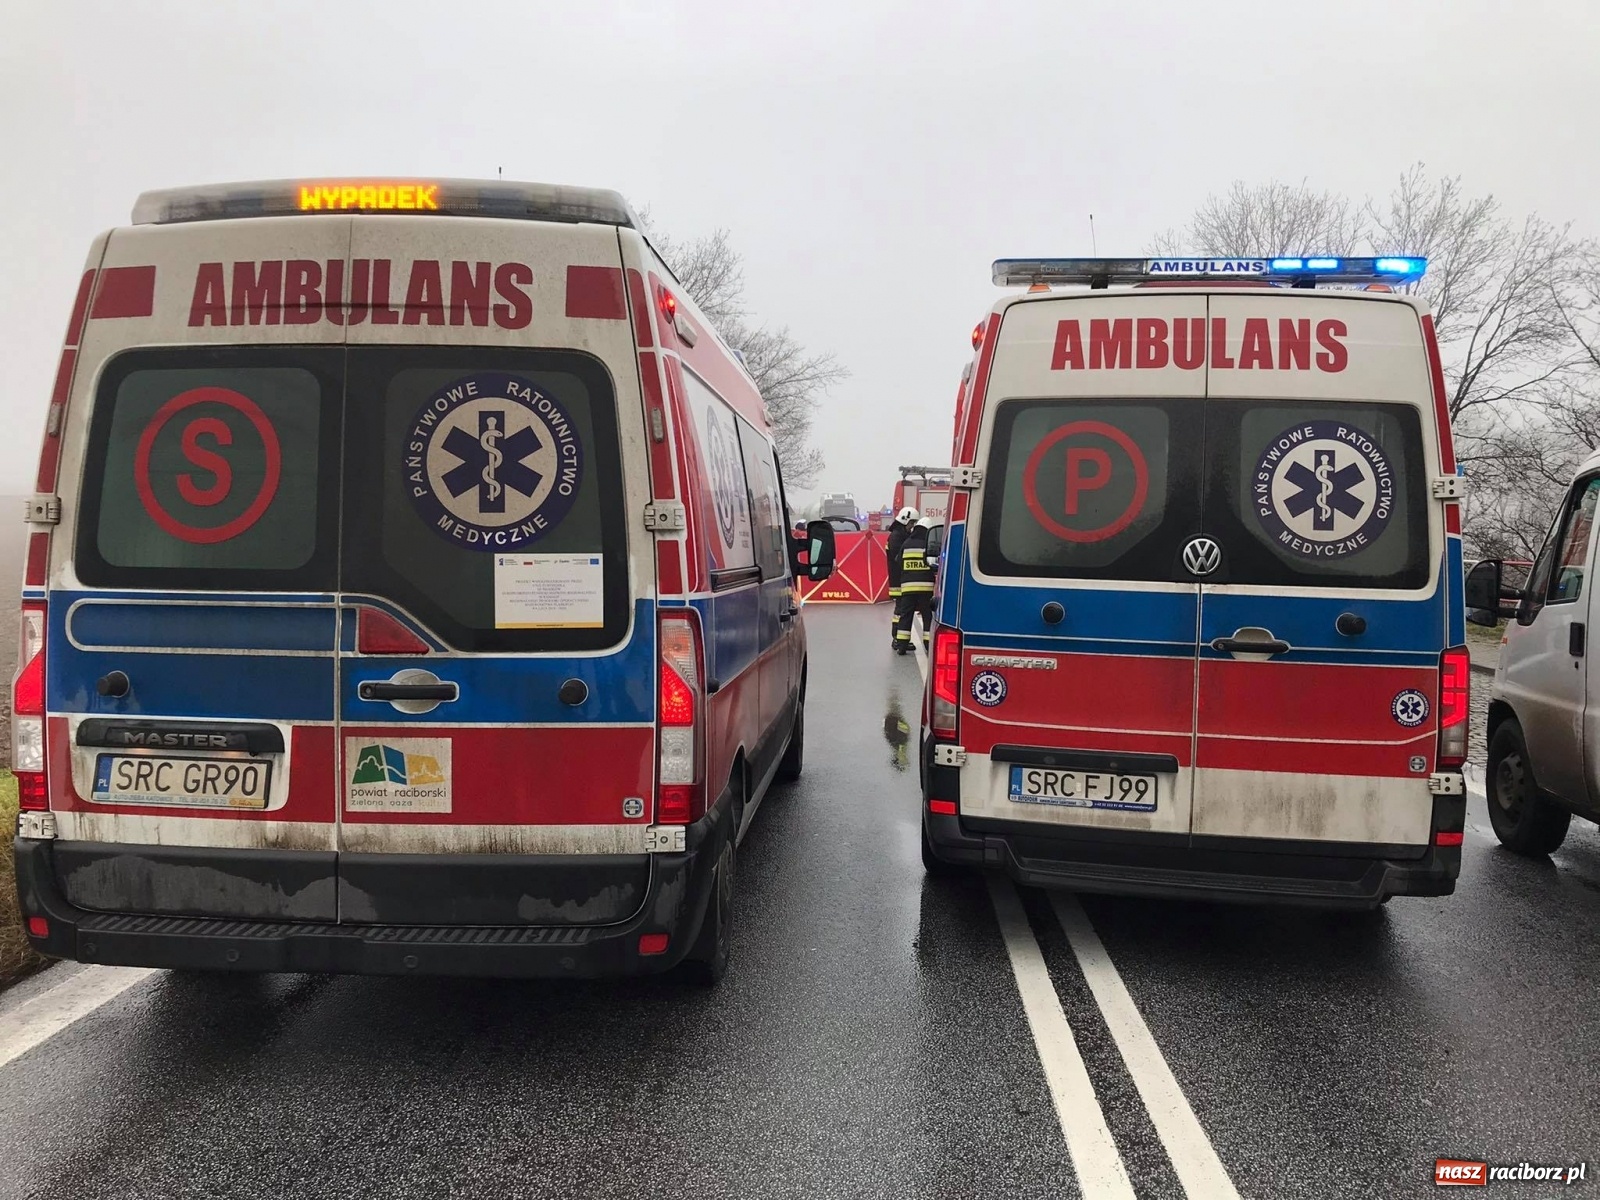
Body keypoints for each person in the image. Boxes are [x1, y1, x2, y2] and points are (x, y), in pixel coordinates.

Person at [894, 517, 936, 655]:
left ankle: (902, 645)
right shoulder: (928, 544)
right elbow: (935, 563)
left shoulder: (906, 543)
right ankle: (928, 645)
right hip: (926, 589)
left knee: (906, 615)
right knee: (927, 616)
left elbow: (898, 561)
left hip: (908, 588)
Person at [885, 506, 919, 649]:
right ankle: (897, 639)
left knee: (901, 611)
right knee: (900, 612)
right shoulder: (897, 537)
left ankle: (899, 639)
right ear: (905, 520)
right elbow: (899, 558)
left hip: (901, 580)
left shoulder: (899, 534)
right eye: (911, 523)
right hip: (899, 580)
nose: (912, 526)